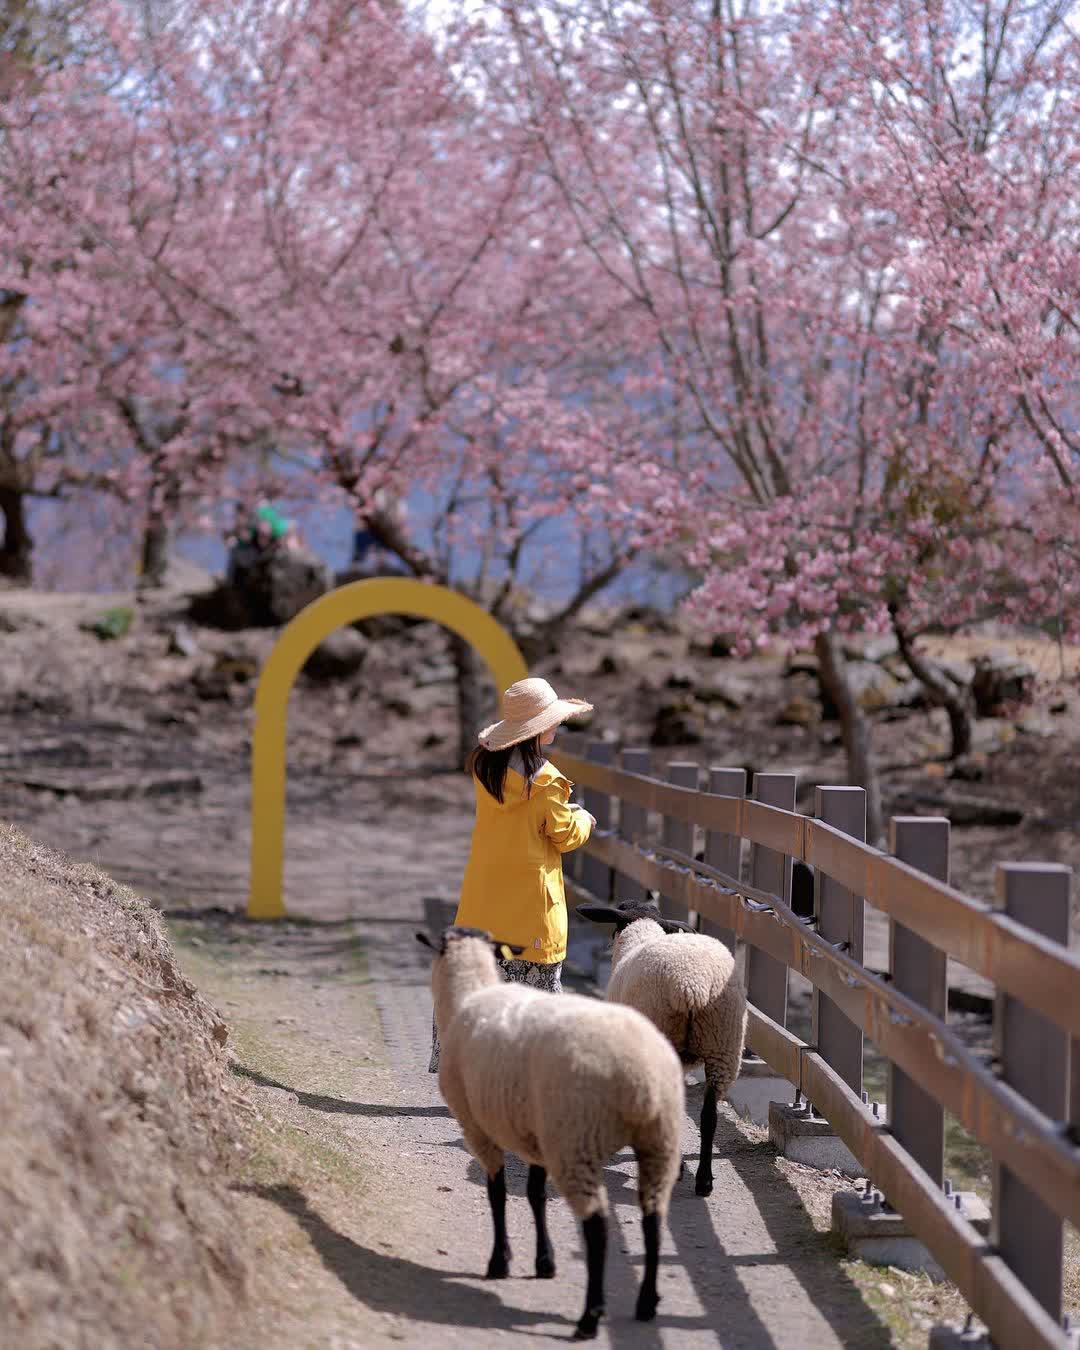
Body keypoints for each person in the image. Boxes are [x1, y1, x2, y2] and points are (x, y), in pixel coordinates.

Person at [428, 677, 596, 1073]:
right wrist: (584, 819)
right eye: (553, 721)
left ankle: (469, 1073)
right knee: (534, 999)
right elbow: (564, 835)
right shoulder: (547, 781)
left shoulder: (485, 768)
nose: (557, 727)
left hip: (484, 901)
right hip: (530, 909)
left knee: (481, 991)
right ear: (540, 728)